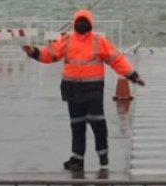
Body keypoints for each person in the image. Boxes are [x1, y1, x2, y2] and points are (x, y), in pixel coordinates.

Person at [22, 9, 145, 171]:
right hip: (72, 90)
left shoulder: (98, 41)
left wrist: (132, 75)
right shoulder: (67, 41)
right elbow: (49, 54)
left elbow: (116, 59)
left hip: (92, 90)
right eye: (79, 21)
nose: (81, 24)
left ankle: (103, 156)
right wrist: (34, 52)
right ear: (74, 23)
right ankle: (77, 159)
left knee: (97, 124)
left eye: (84, 21)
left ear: (90, 24)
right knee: (77, 126)